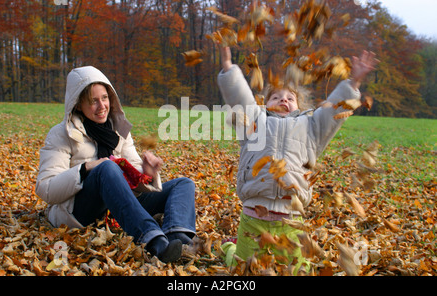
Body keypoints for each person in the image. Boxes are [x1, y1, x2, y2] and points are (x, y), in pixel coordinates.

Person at [217, 46, 378, 273]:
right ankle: (230, 250)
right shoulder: (255, 122)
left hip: (290, 219)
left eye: (290, 98)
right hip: (254, 214)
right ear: (265, 103)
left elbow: (333, 112)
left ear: (299, 106)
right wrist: (228, 69)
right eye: (276, 97)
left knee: (296, 270)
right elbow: (240, 99)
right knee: (244, 270)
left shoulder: (311, 127)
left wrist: (353, 83)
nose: (283, 100)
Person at [36, 66, 196, 263]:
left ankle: (178, 238)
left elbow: (134, 175)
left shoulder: (118, 130)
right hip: (79, 210)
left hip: (120, 204)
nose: (102, 106)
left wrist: (146, 173)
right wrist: (85, 169)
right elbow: (46, 188)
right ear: (78, 105)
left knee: (183, 184)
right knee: (107, 168)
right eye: (93, 101)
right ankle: (154, 241)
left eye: (104, 98)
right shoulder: (61, 134)